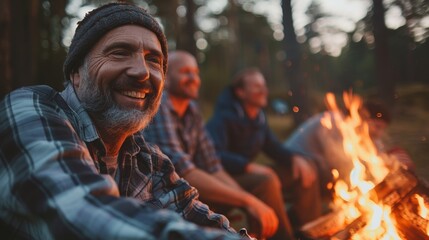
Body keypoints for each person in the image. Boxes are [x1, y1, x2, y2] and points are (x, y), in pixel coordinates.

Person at [0, 3, 247, 239]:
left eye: (154, 60)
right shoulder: (29, 110)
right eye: (119, 52)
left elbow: (192, 212)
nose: (142, 71)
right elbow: (84, 215)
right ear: (76, 73)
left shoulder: (147, 159)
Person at [143, 51, 294, 240]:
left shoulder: (192, 110)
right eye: (185, 72)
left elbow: (212, 165)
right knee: (254, 193)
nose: (193, 78)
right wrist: (247, 201)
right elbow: (184, 171)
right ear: (165, 77)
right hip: (164, 199)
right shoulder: (159, 106)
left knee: (263, 182)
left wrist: (247, 200)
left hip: (191, 190)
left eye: (196, 72)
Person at [206, 68, 322, 229]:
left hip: (248, 173)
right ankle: (283, 236)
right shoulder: (224, 118)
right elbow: (213, 154)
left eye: (264, 85)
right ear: (240, 92)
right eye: (256, 86)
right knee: (267, 181)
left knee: (304, 168)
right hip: (226, 178)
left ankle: (309, 230)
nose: (263, 91)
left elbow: (273, 147)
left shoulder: (259, 119)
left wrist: (295, 158)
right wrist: (248, 166)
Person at [285, 100, 415, 187]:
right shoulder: (333, 123)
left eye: (382, 129)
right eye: (377, 127)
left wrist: (391, 162)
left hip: (315, 168)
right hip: (291, 163)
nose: (379, 133)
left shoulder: (359, 131)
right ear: (362, 119)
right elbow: (341, 162)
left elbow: (375, 153)